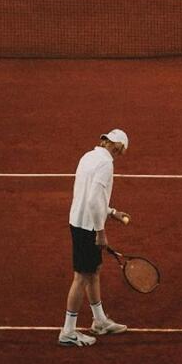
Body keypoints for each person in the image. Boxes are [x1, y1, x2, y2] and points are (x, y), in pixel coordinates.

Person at [59, 128, 131, 346]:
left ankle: (99, 321)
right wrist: (100, 231)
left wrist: (112, 212)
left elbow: (88, 195)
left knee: (93, 271)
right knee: (81, 276)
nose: (119, 154)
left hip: (78, 221)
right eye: (120, 150)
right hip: (88, 227)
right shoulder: (106, 164)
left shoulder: (87, 157)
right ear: (116, 146)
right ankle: (68, 332)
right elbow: (92, 200)